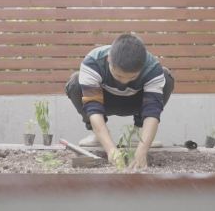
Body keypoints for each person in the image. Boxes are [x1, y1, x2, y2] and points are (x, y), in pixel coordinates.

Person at [65, 33, 175, 168]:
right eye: (118, 75)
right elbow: (93, 108)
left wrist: (142, 150)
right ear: (109, 59)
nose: (124, 81)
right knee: (75, 82)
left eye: (132, 77)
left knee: (166, 77)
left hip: (136, 102)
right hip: (104, 102)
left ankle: (138, 134)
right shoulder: (93, 62)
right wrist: (111, 149)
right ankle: (98, 136)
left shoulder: (152, 67)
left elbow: (152, 111)